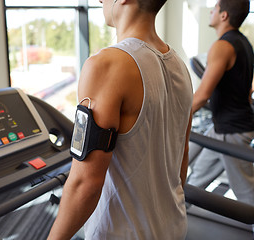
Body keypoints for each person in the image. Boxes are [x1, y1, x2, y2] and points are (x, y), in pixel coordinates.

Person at [47, 0, 193, 239]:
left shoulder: (106, 66)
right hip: (173, 227)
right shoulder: (180, 66)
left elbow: (86, 183)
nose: (99, 0)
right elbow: (181, 159)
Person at [188, 0, 254, 207]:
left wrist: (172, 119)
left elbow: (202, 95)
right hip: (223, 129)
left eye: (215, 7)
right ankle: (172, 222)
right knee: (197, 178)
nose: (211, 11)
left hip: (232, 132)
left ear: (224, 15)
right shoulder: (243, 43)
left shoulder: (222, 46)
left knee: (247, 195)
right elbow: (248, 88)